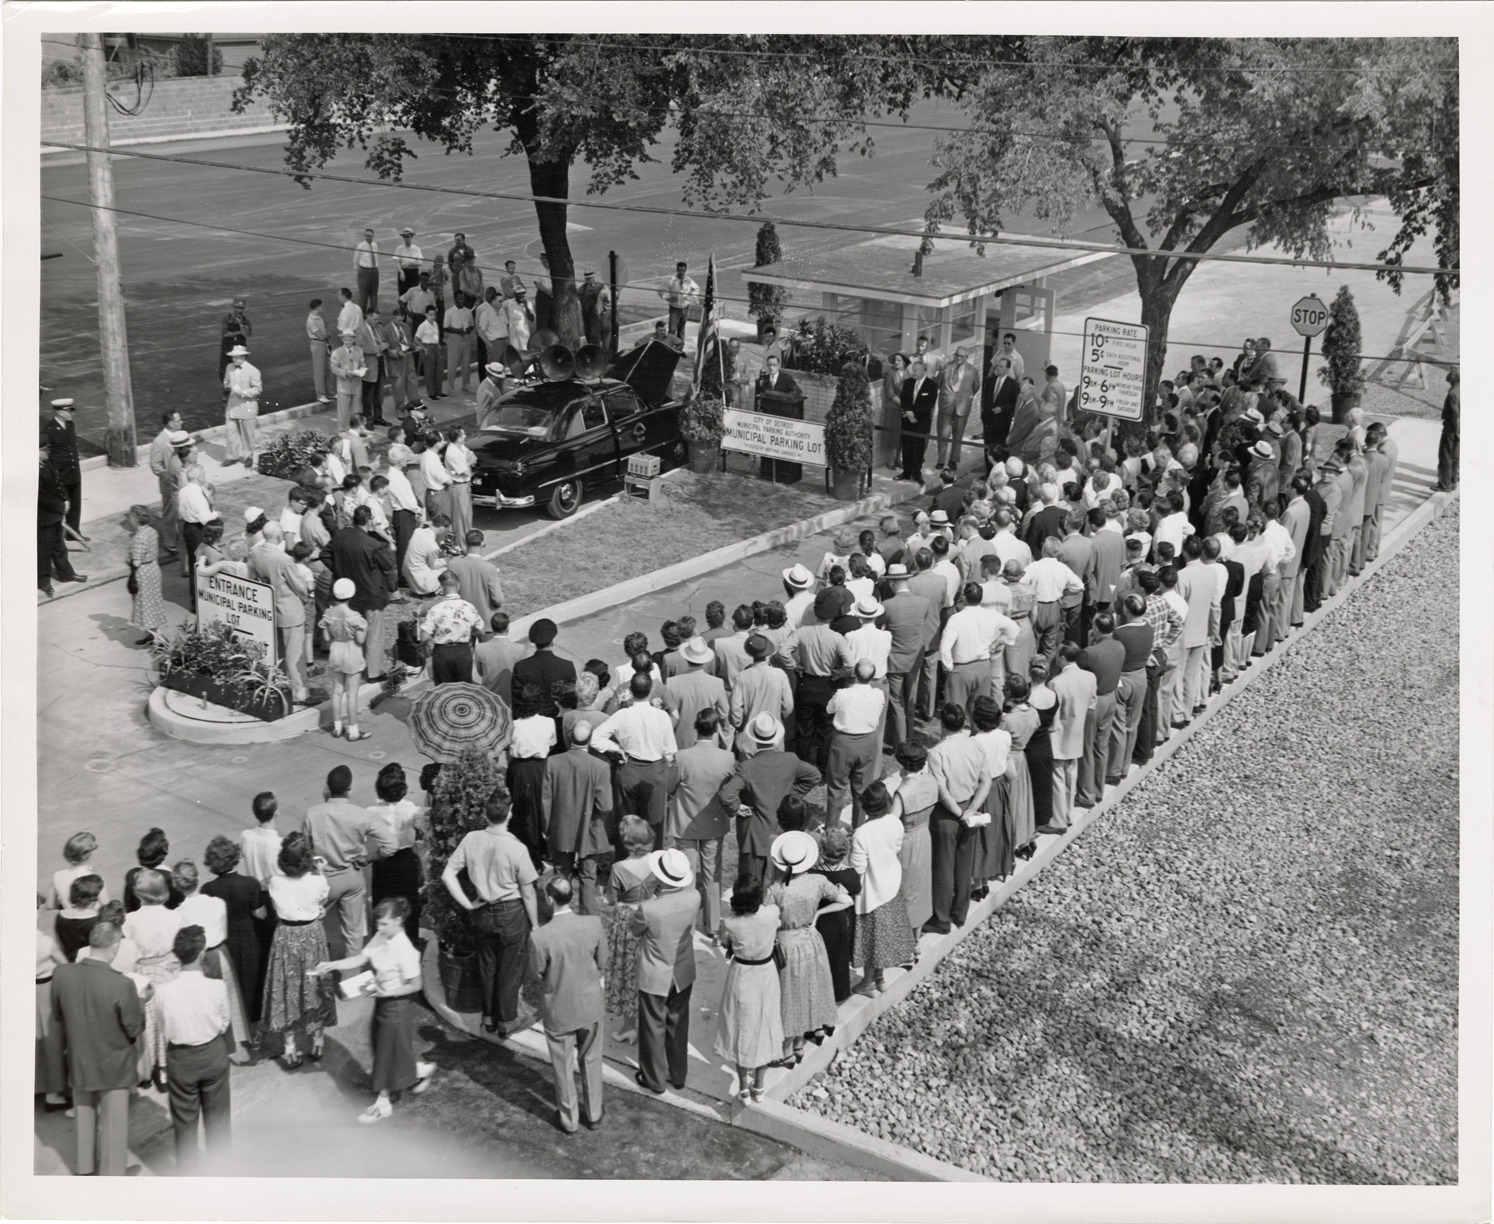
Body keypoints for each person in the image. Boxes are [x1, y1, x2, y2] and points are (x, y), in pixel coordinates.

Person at [313, 898, 434, 1124]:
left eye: (385, 923)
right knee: (386, 1047)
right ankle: (419, 1071)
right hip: (382, 1001)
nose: (380, 927)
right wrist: (332, 965)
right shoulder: (381, 936)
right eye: (378, 923)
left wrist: (387, 992)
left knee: (386, 1054)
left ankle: (383, 1103)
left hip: (397, 1007)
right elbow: (361, 958)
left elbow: (416, 985)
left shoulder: (406, 951)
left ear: (398, 920)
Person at [441, 791, 540, 1039]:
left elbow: (447, 875)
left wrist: (468, 904)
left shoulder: (471, 839)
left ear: (486, 814)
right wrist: (535, 924)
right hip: (511, 913)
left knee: (487, 966)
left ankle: (488, 1018)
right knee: (510, 969)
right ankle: (507, 1021)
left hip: (483, 912)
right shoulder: (517, 848)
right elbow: (528, 893)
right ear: (510, 813)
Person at [51, 921, 145, 1176]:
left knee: (84, 1114)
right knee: (114, 1121)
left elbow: (58, 1014)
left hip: (80, 1059)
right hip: (113, 1063)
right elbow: (134, 1028)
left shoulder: (62, 973)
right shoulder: (122, 984)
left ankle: (85, 1168)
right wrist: (140, 1002)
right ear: (114, 948)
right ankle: (112, 1173)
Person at [527, 878, 606, 1133]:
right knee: (591, 1060)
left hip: (559, 1011)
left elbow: (537, 974)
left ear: (549, 899)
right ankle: (594, 1114)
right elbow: (602, 961)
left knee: (562, 1068)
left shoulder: (539, 937)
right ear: (571, 896)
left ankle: (569, 1120)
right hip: (590, 1006)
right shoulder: (593, 924)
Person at [764, 830, 846, 1066]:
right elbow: (845, 899)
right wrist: (818, 915)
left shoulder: (776, 889)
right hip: (811, 941)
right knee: (808, 991)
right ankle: (800, 1043)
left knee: (788, 997)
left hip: (786, 945)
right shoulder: (818, 881)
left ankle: (786, 1050)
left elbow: (767, 919)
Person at [153, 924, 232, 1169]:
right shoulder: (216, 987)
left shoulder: (162, 992)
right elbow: (224, 1022)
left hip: (180, 1058)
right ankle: (221, 1170)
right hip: (212, 1053)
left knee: (184, 1123)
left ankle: (188, 1174)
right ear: (201, 954)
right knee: (218, 1118)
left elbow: (162, 1027)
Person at [718, 713, 823, 885]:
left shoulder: (746, 767)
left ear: (754, 739)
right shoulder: (790, 759)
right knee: (780, 884)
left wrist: (737, 807)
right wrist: (790, 795)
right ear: (776, 738)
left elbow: (726, 795)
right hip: (783, 832)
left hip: (755, 836)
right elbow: (814, 776)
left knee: (751, 884)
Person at [631, 848, 701, 1094]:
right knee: (678, 1024)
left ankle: (654, 1079)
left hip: (655, 975)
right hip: (682, 972)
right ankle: (678, 1075)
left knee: (652, 1027)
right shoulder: (694, 897)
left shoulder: (649, 909)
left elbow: (635, 929)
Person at [924, 703, 993, 935]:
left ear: (942, 725)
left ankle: (941, 919)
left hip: (947, 814)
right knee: (964, 864)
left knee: (943, 866)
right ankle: (960, 913)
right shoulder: (975, 745)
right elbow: (986, 781)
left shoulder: (937, 752)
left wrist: (960, 813)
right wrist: (972, 810)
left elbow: (942, 792)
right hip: (970, 809)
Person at [714, 873, 784, 1103]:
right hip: (766, 974)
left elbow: (725, 942)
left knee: (740, 1028)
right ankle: (759, 1085)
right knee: (765, 1027)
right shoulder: (772, 914)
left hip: (742, 974)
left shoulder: (730, 922)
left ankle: (743, 1086)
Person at [171, 860, 251, 1059]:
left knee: (204, 1002)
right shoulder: (217, 903)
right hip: (219, 952)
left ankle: (213, 1042)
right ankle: (236, 1045)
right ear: (198, 878)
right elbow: (224, 931)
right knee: (229, 998)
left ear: (177, 886)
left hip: (194, 960)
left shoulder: (177, 914)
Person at [851, 780, 919, 995]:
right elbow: (896, 847)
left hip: (871, 892)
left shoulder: (861, 833)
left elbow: (858, 869)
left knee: (870, 941)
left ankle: (868, 983)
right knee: (883, 939)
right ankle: (879, 978)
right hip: (891, 886)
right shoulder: (895, 823)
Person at [541, 721, 614, 917]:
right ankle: (587, 919)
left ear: (569, 737)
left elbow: (546, 800)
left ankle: (559, 914)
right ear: (590, 740)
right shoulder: (600, 766)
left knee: (561, 874)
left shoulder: (553, 762)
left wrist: (547, 828)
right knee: (588, 876)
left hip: (561, 826)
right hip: (589, 827)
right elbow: (605, 805)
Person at [200, 835, 270, 1039]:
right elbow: (260, 914)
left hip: (225, 938)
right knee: (252, 980)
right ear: (235, 858)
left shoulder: (208, 889)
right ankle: (255, 1029)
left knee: (232, 982)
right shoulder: (250, 883)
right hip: (249, 937)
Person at [122, 869, 181, 1087]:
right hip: (168, 968)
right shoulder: (175, 916)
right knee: (166, 1018)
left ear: (138, 892)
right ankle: (165, 1069)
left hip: (142, 971)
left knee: (146, 1020)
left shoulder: (130, 920)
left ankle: (146, 1068)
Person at [329, 505, 398, 682]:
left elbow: (325, 555)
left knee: (354, 632)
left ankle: (354, 666)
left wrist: (340, 572)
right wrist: (393, 589)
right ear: (369, 521)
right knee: (374, 634)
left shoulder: (340, 536)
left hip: (350, 593)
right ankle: (374, 673)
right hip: (371, 594)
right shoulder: (373, 545)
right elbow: (388, 566)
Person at [824, 660, 886, 827]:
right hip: (867, 742)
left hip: (844, 742)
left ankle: (831, 828)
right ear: (873, 677)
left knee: (836, 787)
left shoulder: (843, 694)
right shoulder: (878, 694)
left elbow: (829, 709)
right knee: (862, 788)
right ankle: (858, 827)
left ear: (854, 674)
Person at [810, 824, 861, 1004]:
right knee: (839, 959)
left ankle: (818, 994)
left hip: (818, 922)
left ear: (822, 851)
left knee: (819, 959)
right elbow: (856, 890)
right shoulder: (850, 874)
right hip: (839, 921)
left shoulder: (813, 873)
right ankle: (839, 993)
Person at [320, 577, 371, 739]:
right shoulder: (355, 617)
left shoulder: (328, 614)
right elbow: (360, 640)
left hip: (336, 650)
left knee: (337, 691)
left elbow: (326, 638)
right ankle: (353, 730)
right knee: (351, 694)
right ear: (351, 594)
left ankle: (337, 727)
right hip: (352, 652)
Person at [38, 437, 86, 597]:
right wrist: (60, 507)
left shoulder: (47, 463)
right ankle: (43, 582)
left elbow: (58, 482)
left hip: (55, 514)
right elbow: (42, 497)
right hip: (43, 517)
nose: (48, 451)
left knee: (58, 545)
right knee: (44, 550)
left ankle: (66, 574)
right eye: (45, 449)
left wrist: (65, 498)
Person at [420, 569, 482, 684]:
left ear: (441, 588)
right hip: (463, 652)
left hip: (442, 654)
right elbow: (480, 629)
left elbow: (424, 637)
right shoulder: (469, 607)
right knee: (464, 688)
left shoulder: (435, 609)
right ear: (458, 586)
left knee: (444, 689)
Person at [122, 505, 167, 646]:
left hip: (143, 572)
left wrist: (128, 559)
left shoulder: (139, 537)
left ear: (136, 518)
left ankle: (158, 638)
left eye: (131, 516)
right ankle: (151, 634)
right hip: (153, 568)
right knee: (153, 602)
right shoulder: (152, 531)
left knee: (145, 605)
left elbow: (136, 561)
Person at [45, 397, 85, 537]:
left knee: (75, 503)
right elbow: (47, 452)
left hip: (73, 471)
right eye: (69, 411)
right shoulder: (49, 428)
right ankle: (56, 536)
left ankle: (74, 533)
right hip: (61, 473)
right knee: (61, 504)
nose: (72, 413)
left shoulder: (70, 425)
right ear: (60, 412)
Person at [935, 346, 979, 467]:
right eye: (957, 355)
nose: (959, 358)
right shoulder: (946, 367)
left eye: (962, 356)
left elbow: (976, 387)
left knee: (958, 434)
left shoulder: (972, 370)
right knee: (943, 433)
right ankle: (941, 460)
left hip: (962, 406)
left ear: (966, 357)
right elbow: (938, 383)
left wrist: (964, 397)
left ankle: (953, 460)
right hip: (946, 404)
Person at [898, 358, 939, 483]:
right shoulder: (908, 382)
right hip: (907, 421)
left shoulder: (931, 386)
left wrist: (913, 413)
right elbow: (904, 399)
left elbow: (928, 405)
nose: (913, 373)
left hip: (920, 423)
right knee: (907, 447)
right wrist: (908, 412)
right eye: (912, 370)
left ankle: (916, 474)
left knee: (918, 449)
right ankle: (906, 472)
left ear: (923, 371)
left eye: (915, 371)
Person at [221, 345, 262, 468]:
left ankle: (248, 456)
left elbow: (257, 390)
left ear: (244, 357)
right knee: (231, 432)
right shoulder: (229, 367)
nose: (234, 359)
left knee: (248, 434)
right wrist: (227, 386)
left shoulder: (253, 371)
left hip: (247, 406)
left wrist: (242, 392)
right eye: (233, 357)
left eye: (237, 357)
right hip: (232, 406)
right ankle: (232, 456)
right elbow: (226, 381)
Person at [55, 873, 105, 963]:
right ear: (92, 899)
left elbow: (59, 944)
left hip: (70, 961)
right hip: (89, 964)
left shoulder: (60, 915)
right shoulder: (96, 921)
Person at [658, 261, 699, 338]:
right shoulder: (671, 280)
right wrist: (667, 298)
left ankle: (680, 345)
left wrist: (690, 296)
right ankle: (670, 344)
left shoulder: (689, 280)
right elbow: (660, 290)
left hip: (685, 308)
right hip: (674, 309)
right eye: (679, 270)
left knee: (681, 330)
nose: (681, 272)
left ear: (685, 270)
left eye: (683, 270)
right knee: (672, 330)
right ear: (676, 269)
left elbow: (696, 289)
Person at [219, 296, 253, 385]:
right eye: (238, 308)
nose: (240, 310)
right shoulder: (226, 319)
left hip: (240, 350)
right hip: (228, 349)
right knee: (225, 372)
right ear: (234, 307)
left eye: (241, 308)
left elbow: (247, 335)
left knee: (239, 372)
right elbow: (225, 334)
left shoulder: (246, 321)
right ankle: (227, 389)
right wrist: (239, 332)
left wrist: (241, 325)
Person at [1436, 368, 1459, 492]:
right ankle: (1453, 481)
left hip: (1451, 428)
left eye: (1451, 374)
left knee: (1445, 456)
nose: (1448, 375)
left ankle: (1445, 485)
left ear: (1455, 378)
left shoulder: (1453, 393)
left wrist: (1456, 432)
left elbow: (1455, 415)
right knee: (1455, 456)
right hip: (1458, 428)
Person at [354, 227, 380, 313]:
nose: (368, 237)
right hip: (364, 271)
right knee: (363, 295)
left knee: (374, 295)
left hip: (374, 271)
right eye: (366, 236)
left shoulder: (375, 246)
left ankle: (373, 314)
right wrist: (361, 272)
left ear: (373, 236)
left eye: (370, 236)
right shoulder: (360, 246)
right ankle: (362, 315)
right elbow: (356, 260)